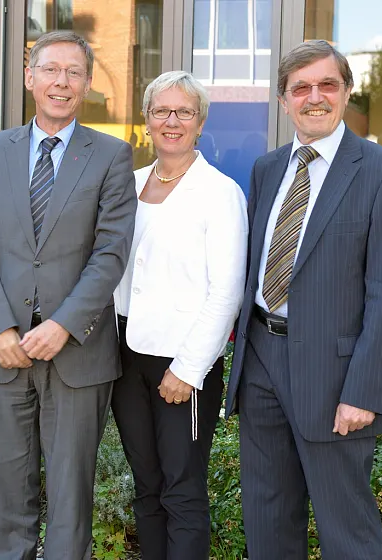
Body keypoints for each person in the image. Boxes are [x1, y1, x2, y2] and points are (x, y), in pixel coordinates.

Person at [226, 40, 382, 560]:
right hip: (261, 358)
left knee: (345, 529)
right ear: (284, 99)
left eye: (327, 85)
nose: (315, 97)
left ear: (347, 92)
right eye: (301, 87)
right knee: (267, 519)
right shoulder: (267, 169)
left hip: (336, 379)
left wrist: (365, 390)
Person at [0, 30, 137, 559]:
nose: (62, 82)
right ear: (30, 77)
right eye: (51, 70)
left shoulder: (110, 155)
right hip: (4, 352)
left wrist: (62, 324)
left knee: (70, 496)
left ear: (85, 84)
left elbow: (110, 252)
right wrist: (1, 330)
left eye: (74, 72)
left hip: (77, 351)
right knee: (9, 495)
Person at [111, 70, 247, 560]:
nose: (172, 121)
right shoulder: (126, 185)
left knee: (181, 489)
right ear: (146, 120)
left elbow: (226, 292)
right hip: (126, 356)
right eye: (162, 111)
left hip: (182, 364)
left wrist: (188, 370)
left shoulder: (220, 192)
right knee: (146, 486)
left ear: (201, 121)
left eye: (184, 112)